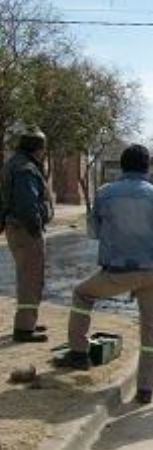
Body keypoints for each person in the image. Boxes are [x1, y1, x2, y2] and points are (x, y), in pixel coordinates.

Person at [55, 144, 153, 405]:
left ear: (122, 166)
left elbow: (93, 232)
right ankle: (145, 389)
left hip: (117, 272)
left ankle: (78, 353)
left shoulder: (106, 193)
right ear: (147, 167)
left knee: (81, 294)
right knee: (151, 328)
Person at [0, 127, 53, 343]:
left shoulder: (14, 163)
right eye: (43, 148)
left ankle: (28, 320)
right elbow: (27, 204)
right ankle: (24, 329)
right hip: (25, 230)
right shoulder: (26, 169)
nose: (44, 152)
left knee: (27, 276)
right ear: (37, 148)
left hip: (16, 227)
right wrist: (36, 228)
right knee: (31, 279)